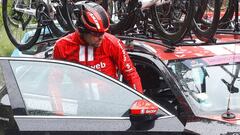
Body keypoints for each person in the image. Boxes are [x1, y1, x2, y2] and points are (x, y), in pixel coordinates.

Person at [52, 1, 143, 93]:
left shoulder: (112, 42)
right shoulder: (62, 46)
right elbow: (54, 83)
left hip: (111, 103)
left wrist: (140, 104)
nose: (102, 37)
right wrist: (58, 107)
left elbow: (131, 75)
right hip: (82, 103)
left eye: (103, 33)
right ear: (82, 30)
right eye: (96, 34)